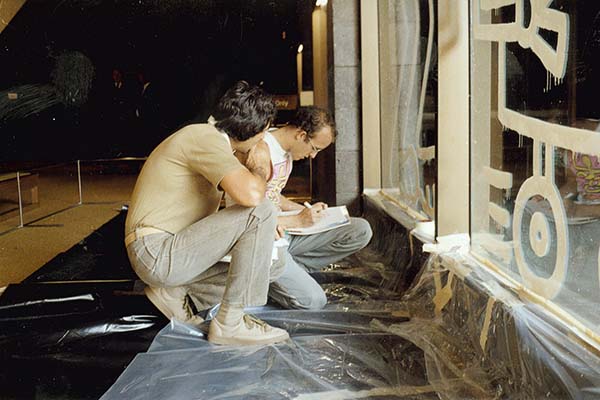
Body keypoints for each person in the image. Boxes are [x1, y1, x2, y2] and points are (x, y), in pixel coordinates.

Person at [124, 81, 289, 346]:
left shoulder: (216, 145)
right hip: (156, 251)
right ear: (256, 129)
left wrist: (263, 230)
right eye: (263, 135)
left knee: (274, 262)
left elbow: (235, 213)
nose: (263, 142)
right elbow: (253, 198)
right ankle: (231, 323)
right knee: (262, 209)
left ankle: (177, 293)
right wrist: (259, 167)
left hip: (172, 251)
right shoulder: (203, 137)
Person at [241, 106, 373, 310]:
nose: (313, 156)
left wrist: (303, 210)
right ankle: (264, 280)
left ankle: (292, 271)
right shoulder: (260, 151)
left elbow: (272, 194)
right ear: (301, 135)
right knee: (313, 301)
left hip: (284, 232)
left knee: (360, 230)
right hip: (264, 240)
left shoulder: (285, 152)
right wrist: (297, 220)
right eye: (314, 148)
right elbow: (247, 215)